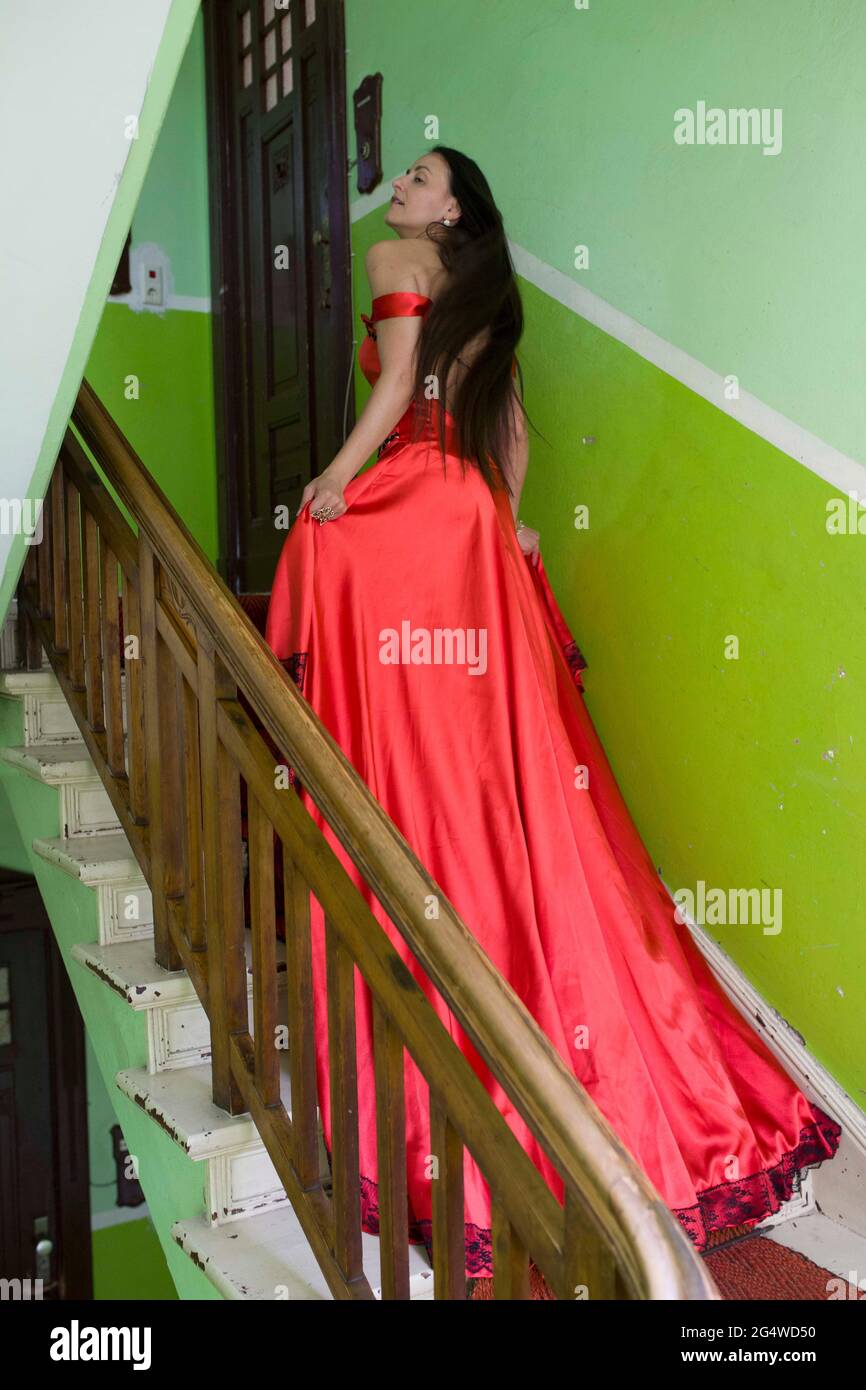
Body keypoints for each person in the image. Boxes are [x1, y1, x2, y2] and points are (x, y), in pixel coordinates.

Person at [265, 146, 841, 1283]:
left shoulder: (393, 259)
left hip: (411, 522)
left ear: (454, 206)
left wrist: (330, 482)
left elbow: (390, 391)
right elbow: (511, 436)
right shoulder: (489, 293)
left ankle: (419, 883)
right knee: (509, 775)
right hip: (470, 521)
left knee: (397, 727)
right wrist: (505, 525)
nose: (404, 183)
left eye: (423, 175)